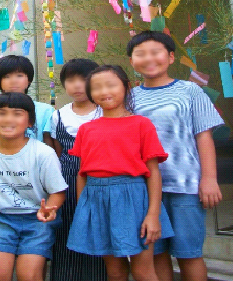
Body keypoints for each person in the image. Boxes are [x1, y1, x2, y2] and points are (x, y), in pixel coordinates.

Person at [128, 31, 224, 281]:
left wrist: (209, 179)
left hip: (185, 185)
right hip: (144, 188)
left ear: (171, 57)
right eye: (140, 54)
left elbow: (204, 136)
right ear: (131, 61)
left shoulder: (190, 90)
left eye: (156, 52)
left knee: (189, 253)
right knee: (156, 253)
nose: (149, 59)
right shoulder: (129, 97)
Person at [67, 65, 174, 281]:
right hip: (97, 201)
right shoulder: (86, 129)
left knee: (143, 271)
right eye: (97, 87)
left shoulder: (142, 124)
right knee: (115, 272)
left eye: (111, 85)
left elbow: (153, 172)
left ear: (126, 87)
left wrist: (153, 214)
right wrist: (83, 210)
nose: (104, 91)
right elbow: (82, 173)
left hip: (135, 200)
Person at [0, 92, 68, 281]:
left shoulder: (43, 153)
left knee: (28, 275)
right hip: (1, 219)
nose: (8, 119)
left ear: (30, 122)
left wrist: (49, 209)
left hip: (37, 220)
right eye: (1, 113)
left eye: (17, 114)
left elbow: (58, 192)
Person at [48, 58, 107, 281]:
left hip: (101, 178)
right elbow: (58, 152)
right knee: (66, 229)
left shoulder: (106, 112)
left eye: (83, 79)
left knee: (97, 228)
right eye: (71, 80)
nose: (77, 85)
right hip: (67, 180)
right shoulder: (58, 115)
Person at [0, 55, 53, 146]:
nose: (13, 81)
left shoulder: (46, 111)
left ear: (29, 80)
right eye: (6, 76)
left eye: (19, 76)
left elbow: (49, 146)